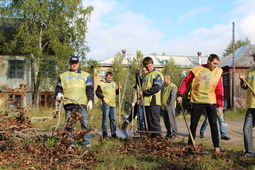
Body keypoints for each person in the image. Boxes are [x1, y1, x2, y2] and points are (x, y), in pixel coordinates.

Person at [177, 54, 223, 154]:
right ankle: (190, 145)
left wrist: (220, 106)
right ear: (209, 61)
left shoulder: (218, 72)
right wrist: (180, 94)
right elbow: (185, 82)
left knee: (213, 124)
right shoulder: (197, 70)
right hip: (197, 100)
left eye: (217, 64)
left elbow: (219, 90)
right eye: (214, 63)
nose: (216, 66)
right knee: (193, 124)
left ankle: (216, 146)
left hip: (211, 101)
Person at [55, 56, 94, 149]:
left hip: (81, 103)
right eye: (72, 63)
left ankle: (86, 142)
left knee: (84, 123)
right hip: (69, 103)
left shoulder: (85, 75)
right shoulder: (63, 76)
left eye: (76, 63)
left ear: (78, 64)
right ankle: (70, 143)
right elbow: (58, 87)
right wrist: (59, 93)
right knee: (69, 124)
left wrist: (90, 100)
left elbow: (89, 89)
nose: (74, 64)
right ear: (70, 64)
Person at [139, 56, 164, 136]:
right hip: (145, 103)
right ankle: (151, 140)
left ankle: (157, 139)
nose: (148, 68)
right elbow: (142, 86)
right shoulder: (146, 76)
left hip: (153, 102)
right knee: (148, 122)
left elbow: (157, 87)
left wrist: (144, 93)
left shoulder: (157, 74)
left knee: (154, 122)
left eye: (149, 66)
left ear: (152, 64)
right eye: (146, 67)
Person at [121, 67, 148, 131]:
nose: (144, 72)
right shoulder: (140, 81)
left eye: (145, 71)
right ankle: (125, 125)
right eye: (143, 71)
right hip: (138, 101)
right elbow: (137, 90)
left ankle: (142, 129)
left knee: (141, 116)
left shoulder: (146, 79)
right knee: (136, 115)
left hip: (143, 101)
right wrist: (134, 102)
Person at [96, 71, 121, 138]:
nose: (110, 79)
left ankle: (113, 134)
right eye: (109, 78)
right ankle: (104, 134)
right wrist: (102, 97)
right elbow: (97, 92)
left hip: (113, 104)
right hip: (106, 103)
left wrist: (119, 88)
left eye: (111, 78)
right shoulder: (101, 83)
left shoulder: (113, 83)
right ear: (106, 77)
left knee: (113, 119)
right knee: (105, 119)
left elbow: (117, 92)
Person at [240, 52, 255, 157]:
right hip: (251, 106)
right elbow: (245, 87)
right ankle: (249, 152)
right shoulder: (249, 71)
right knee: (246, 128)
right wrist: (242, 80)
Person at [161, 74, 178, 139]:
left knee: (171, 120)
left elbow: (173, 96)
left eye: (164, 79)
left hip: (169, 106)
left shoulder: (172, 86)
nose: (163, 80)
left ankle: (174, 133)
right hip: (164, 106)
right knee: (166, 121)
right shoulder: (165, 87)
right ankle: (169, 133)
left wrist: (170, 105)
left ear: (167, 79)